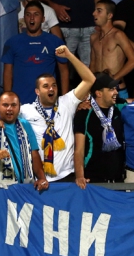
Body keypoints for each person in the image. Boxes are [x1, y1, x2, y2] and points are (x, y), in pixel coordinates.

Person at [13, 45, 95, 183]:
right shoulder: (26, 110)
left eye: (54, 85)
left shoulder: (67, 102)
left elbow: (90, 79)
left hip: (66, 176)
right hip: (40, 179)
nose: (51, 89)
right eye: (46, 86)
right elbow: (2, 114)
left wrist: (69, 55)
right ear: (37, 92)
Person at [2, 1, 69, 104]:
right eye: (28, 15)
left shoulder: (55, 42)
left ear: (43, 19)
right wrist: (7, 100)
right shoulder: (12, 42)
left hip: (47, 104)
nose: (32, 18)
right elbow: (7, 73)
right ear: (24, 18)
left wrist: (65, 101)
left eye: (36, 14)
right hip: (21, 104)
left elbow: (64, 71)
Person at [0, 91, 49, 188]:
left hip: (23, 188)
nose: (9, 108)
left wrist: (41, 178)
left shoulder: (25, 125)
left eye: (13, 105)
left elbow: (34, 154)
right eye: (5, 105)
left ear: (19, 108)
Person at [74, 73, 125, 188]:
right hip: (93, 180)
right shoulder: (84, 113)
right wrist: (80, 176)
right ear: (99, 93)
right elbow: (79, 150)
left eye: (115, 88)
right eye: (111, 89)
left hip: (118, 180)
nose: (116, 92)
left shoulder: (120, 106)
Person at [90, 0, 134, 97]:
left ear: (109, 16)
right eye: (95, 10)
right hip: (99, 89)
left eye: (99, 11)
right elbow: (92, 63)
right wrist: (88, 85)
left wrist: (111, 80)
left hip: (117, 88)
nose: (94, 13)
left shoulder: (118, 35)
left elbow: (133, 61)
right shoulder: (93, 37)